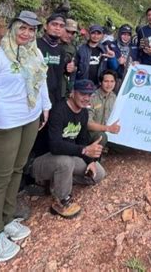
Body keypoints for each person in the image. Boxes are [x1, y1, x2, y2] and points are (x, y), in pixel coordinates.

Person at [0, 11, 51, 262]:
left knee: (17, 169)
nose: (27, 34)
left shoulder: (35, 54)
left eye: (31, 29)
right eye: (22, 28)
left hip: (29, 119)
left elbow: (42, 81)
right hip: (3, 124)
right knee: (0, 178)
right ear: (13, 27)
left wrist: (45, 106)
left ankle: (7, 219)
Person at [30, 80, 106, 219]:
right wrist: (83, 150)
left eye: (90, 95)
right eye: (83, 94)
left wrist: (90, 161)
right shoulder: (58, 111)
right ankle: (61, 201)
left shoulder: (83, 113)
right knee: (66, 162)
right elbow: (55, 146)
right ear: (72, 93)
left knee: (98, 174)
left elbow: (82, 140)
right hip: (42, 160)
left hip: (67, 157)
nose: (87, 98)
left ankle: (57, 181)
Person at [37, 13, 74, 105]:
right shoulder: (35, 45)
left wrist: (69, 69)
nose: (58, 28)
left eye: (61, 26)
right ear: (46, 26)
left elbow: (59, 77)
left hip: (53, 99)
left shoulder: (61, 51)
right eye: (54, 24)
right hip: (36, 97)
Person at [87, 70, 120, 148]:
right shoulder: (92, 97)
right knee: (102, 137)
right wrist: (108, 128)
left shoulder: (114, 97)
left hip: (107, 131)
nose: (109, 84)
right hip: (91, 133)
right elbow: (88, 124)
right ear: (100, 82)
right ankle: (94, 159)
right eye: (106, 81)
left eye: (112, 81)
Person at [60, 18, 78, 98]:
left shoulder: (72, 48)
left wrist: (73, 68)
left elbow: (75, 67)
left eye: (72, 33)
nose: (70, 35)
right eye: (67, 31)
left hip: (62, 88)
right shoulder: (50, 43)